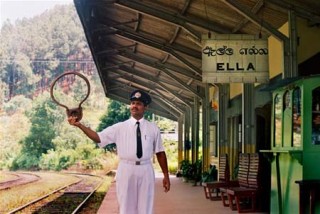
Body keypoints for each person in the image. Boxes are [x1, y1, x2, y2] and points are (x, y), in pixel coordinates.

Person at [68, 89, 170, 214]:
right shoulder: (119, 127)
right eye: (132, 103)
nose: (134, 106)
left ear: (145, 107)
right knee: (126, 207)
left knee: (146, 208)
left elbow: (160, 152)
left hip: (145, 169)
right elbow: (98, 137)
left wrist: (166, 175)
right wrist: (80, 125)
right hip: (126, 169)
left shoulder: (153, 128)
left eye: (138, 103)